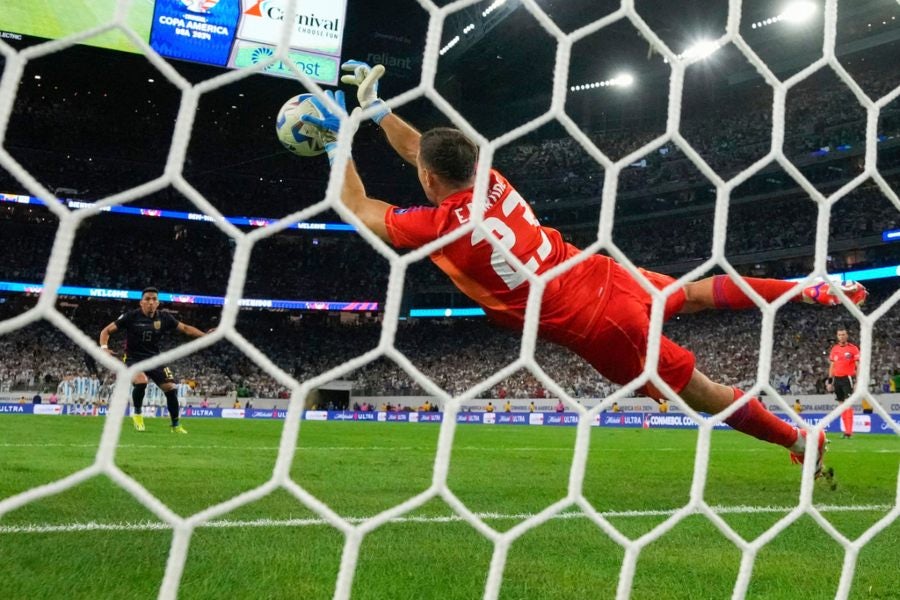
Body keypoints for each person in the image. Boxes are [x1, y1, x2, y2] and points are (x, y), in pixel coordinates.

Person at [302, 61, 870, 479]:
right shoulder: (491, 177)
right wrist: (380, 112)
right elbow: (426, 152)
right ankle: (808, 288)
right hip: (599, 273)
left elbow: (358, 206)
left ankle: (801, 441)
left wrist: (337, 142)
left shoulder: (440, 225)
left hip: (597, 324)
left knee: (702, 391)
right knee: (696, 293)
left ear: (429, 180)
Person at [98, 287, 210, 433]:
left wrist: (205, 336)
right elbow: (106, 331)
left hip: (154, 358)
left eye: (154, 299)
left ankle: (175, 425)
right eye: (147, 299)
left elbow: (186, 329)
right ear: (141, 302)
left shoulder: (164, 317)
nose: (151, 302)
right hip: (133, 359)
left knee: (171, 388)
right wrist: (104, 347)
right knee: (141, 381)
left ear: (158, 303)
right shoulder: (131, 316)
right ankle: (137, 414)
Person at [826, 327, 860, 439]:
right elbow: (832, 366)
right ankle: (846, 430)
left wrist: (858, 381)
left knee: (848, 404)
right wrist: (830, 381)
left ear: (847, 335)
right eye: (840, 335)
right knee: (841, 405)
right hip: (837, 379)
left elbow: (858, 365)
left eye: (843, 334)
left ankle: (849, 431)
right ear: (837, 336)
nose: (842, 336)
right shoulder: (834, 349)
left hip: (847, 378)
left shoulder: (853, 349)